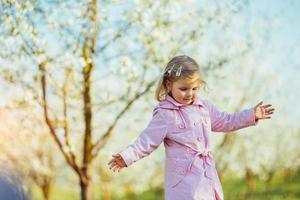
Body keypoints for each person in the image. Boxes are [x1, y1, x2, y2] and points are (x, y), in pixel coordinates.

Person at [107, 55, 275, 200]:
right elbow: (146, 141)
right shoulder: (166, 114)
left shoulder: (204, 107)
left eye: (195, 88)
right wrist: (126, 157)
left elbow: (226, 121)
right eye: (184, 89)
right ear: (168, 85)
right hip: (184, 183)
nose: (190, 93)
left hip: (206, 178)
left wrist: (251, 115)